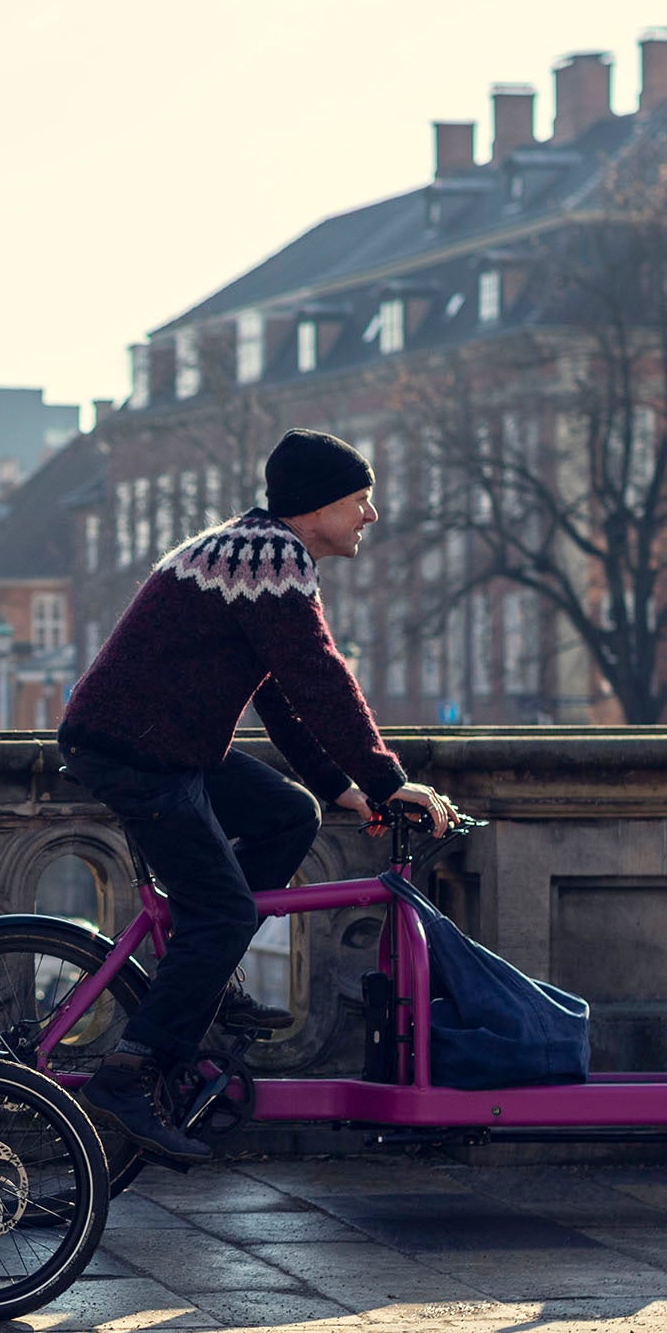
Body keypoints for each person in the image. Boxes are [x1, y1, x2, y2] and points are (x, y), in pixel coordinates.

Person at [56, 427, 457, 1162]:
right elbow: (319, 678)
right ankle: (126, 1073)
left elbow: (280, 696)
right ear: (318, 507)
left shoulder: (250, 549)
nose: (372, 516)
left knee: (286, 814)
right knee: (223, 911)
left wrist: (339, 789)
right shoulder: (271, 557)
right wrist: (389, 781)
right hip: (136, 755)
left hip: (166, 746)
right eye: (361, 501)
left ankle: (203, 977)